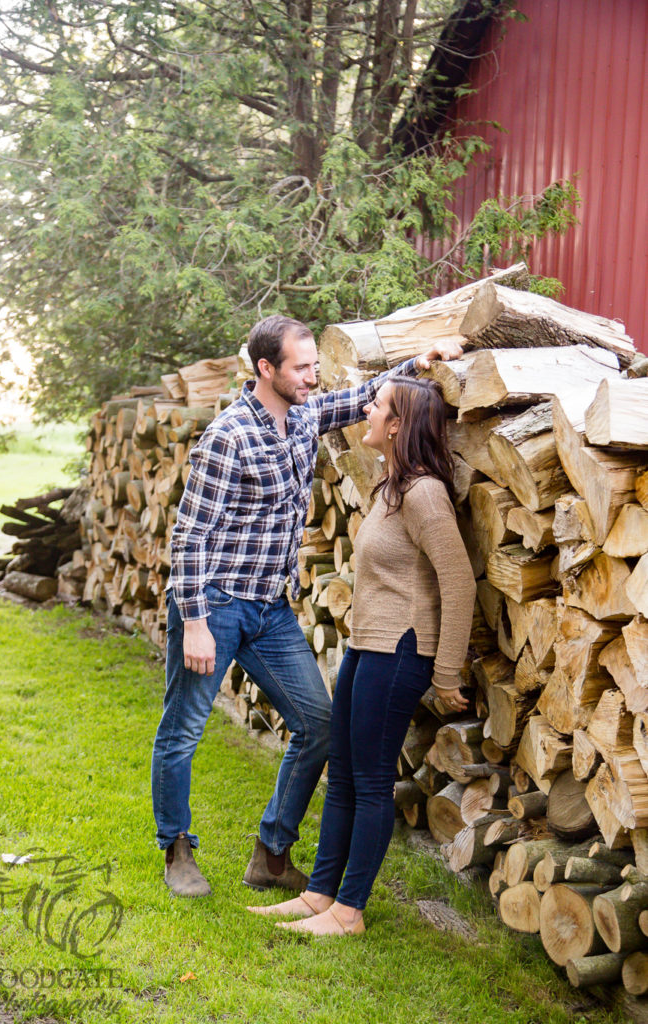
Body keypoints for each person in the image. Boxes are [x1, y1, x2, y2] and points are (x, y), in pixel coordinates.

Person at [151, 314, 463, 898]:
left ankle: (271, 853)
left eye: (315, 365)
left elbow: (371, 399)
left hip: (270, 609)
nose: (313, 377)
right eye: (302, 367)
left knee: (318, 725)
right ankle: (177, 849)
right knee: (183, 730)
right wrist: (194, 622)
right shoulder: (228, 436)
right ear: (266, 369)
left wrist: (421, 360)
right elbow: (189, 536)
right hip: (214, 604)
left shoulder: (302, 417)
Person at [247, 375, 476, 934]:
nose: (367, 410)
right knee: (344, 774)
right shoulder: (392, 484)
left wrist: (445, 671)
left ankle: (349, 911)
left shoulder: (423, 493)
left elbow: (459, 581)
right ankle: (319, 895)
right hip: (366, 644)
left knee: (371, 780)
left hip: (399, 650)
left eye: (378, 405)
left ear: (398, 425)